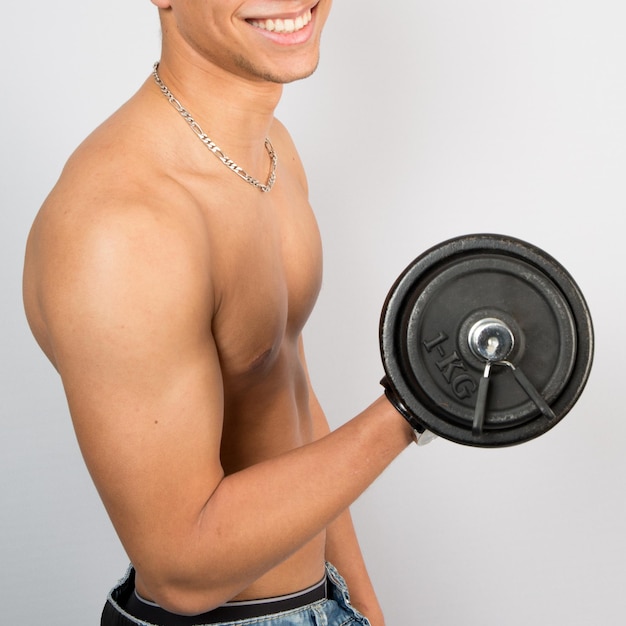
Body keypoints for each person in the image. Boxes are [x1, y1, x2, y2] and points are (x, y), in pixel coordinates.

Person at [23, 1, 418, 624]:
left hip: (321, 603)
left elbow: (287, 392)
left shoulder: (271, 152)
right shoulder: (124, 226)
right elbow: (180, 571)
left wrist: (364, 610)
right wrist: (410, 408)